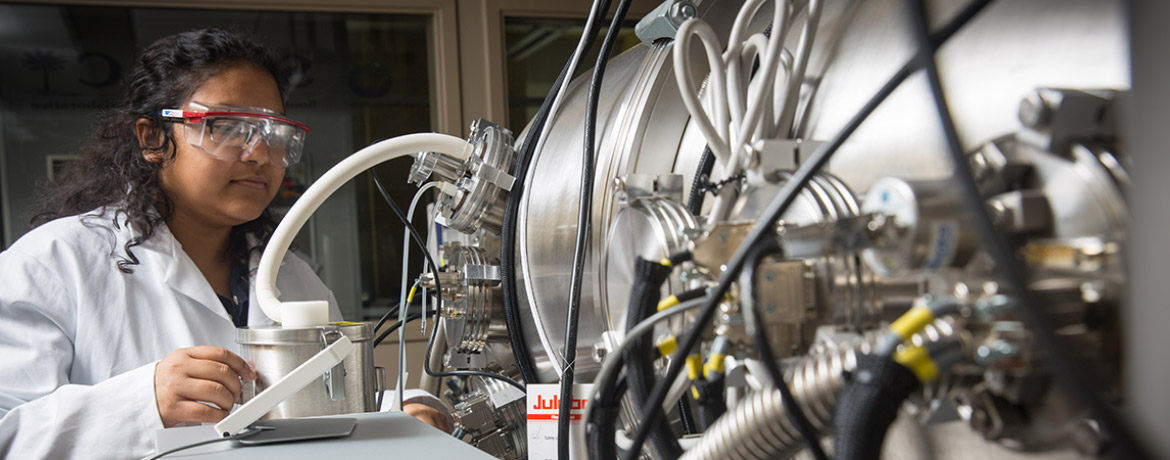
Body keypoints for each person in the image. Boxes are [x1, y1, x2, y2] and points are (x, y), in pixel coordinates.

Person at [0, 28, 448, 459]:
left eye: (273, 133)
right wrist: (141, 403)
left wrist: (408, 408)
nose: (258, 153)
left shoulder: (289, 276)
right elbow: (9, 436)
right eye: (227, 126)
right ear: (153, 138)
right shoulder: (53, 263)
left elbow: (330, 400)